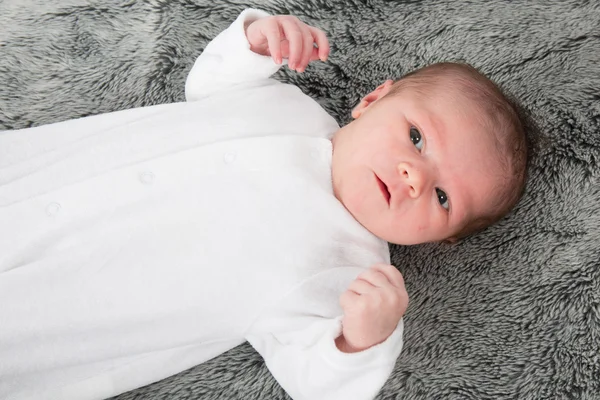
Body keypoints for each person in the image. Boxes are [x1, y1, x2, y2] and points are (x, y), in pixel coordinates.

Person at [0, 8, 527, 400]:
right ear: (370, 101)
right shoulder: (289, 105)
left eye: (441, 197)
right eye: (415, 137)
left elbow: (316, 383)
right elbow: (209, 89)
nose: (413, 177)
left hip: (69, 303)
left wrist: (364, 340)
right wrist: (254, 43)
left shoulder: (350, 275)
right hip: (45, 179)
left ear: (442, 238)